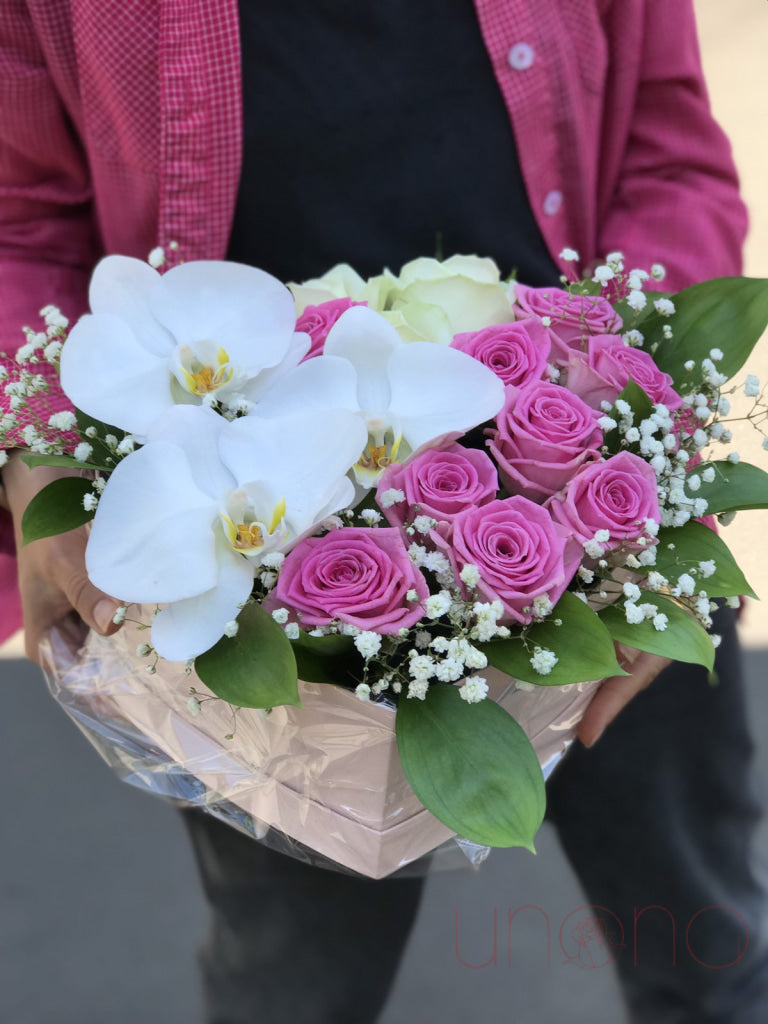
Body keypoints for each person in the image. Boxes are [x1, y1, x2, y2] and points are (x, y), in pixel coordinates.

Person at [1, 2, 765, 1021]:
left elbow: (668, 162)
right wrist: (38, 456)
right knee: (293, 983)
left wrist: (637, 455)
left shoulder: (621, 499)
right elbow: (19, 215)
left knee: (704, 950)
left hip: (598, 520)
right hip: (270, 596)